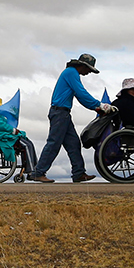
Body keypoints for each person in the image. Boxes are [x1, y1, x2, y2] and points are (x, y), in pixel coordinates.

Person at [32, 53, 114, 184]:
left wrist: (96, 107)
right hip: (60, 113)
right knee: (54, 143)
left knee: (74, 144)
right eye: (89, 69)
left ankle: (79, 173)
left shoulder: (71, 73)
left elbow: (80, 96)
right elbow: (81, 93)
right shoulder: (71, 73)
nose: (89, 72)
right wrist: (99, 105)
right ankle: (38, 172)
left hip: (62, 114)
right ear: (82, 66)